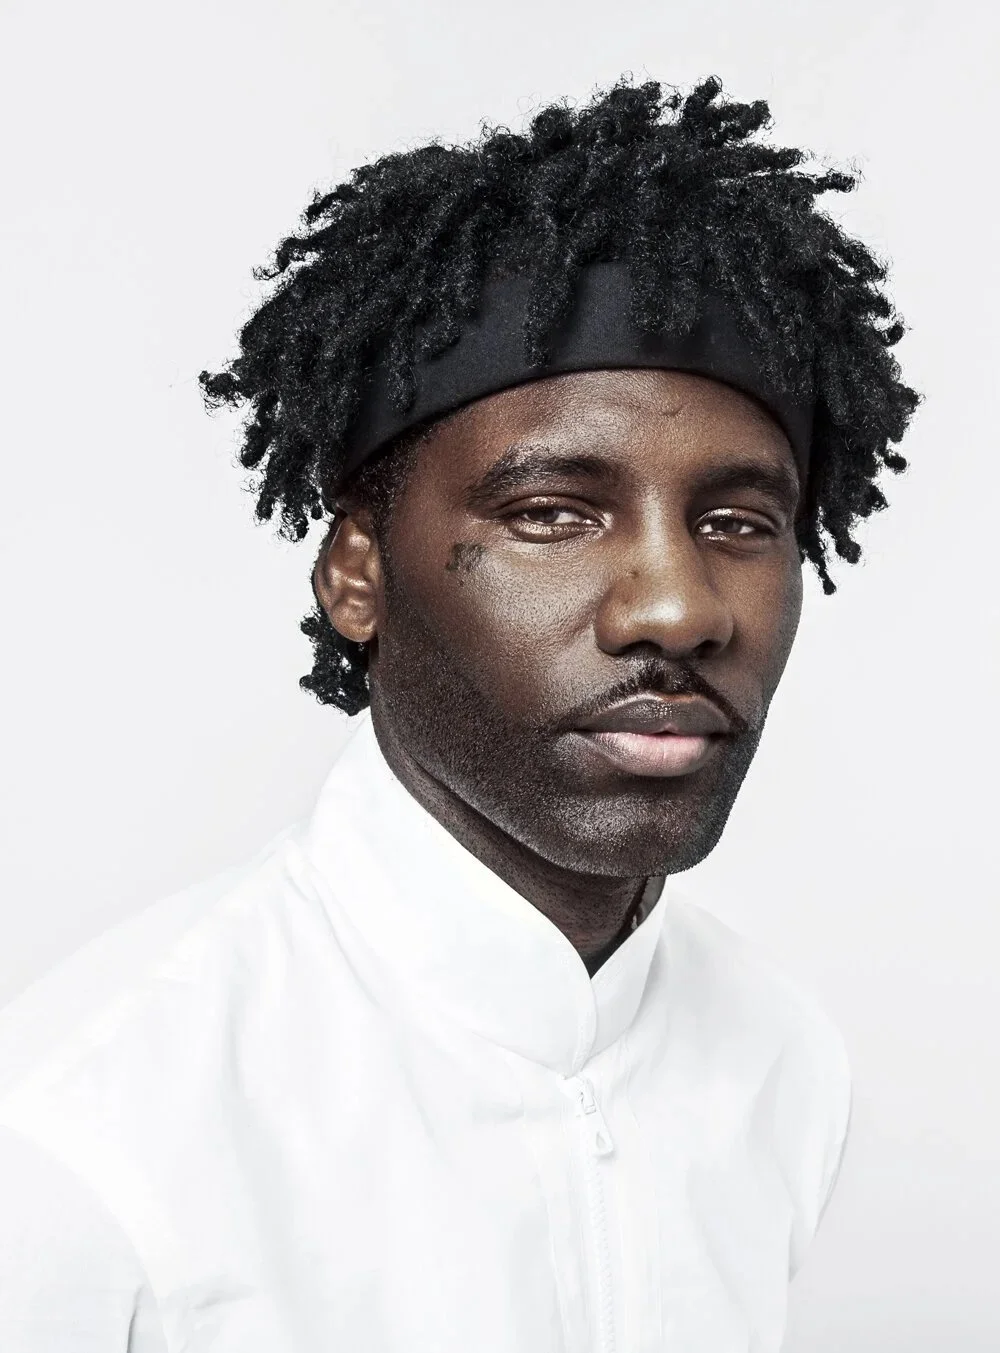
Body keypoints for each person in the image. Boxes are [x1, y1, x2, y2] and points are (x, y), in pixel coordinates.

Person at [0, 75, 918, 1351]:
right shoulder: (85, 1146)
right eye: (551, 513)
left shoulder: (783, 1065)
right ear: (357, 574)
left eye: (737, 523)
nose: (676, 606)